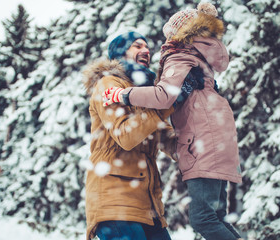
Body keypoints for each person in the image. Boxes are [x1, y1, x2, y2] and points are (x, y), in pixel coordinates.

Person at [102, 3, 243, 240]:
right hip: (218, 143)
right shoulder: (201, 62)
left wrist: (125, 95)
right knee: (215, 218)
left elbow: (163, 96)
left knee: (204, 219)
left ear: (179, 35)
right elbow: (152, 128)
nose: (150, 49)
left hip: (203, 144)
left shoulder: (180, 56)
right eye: (138, 45)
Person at [82, 32, 177, 240]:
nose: (146, 51)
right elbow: (125, 135)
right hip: (115, 202)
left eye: (147, 47)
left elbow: (165, 137)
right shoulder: (109, 85)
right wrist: (162, 103)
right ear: (120, 53)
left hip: (148, 205)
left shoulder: (143, 94)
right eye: (137, 46)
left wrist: (195, 148)